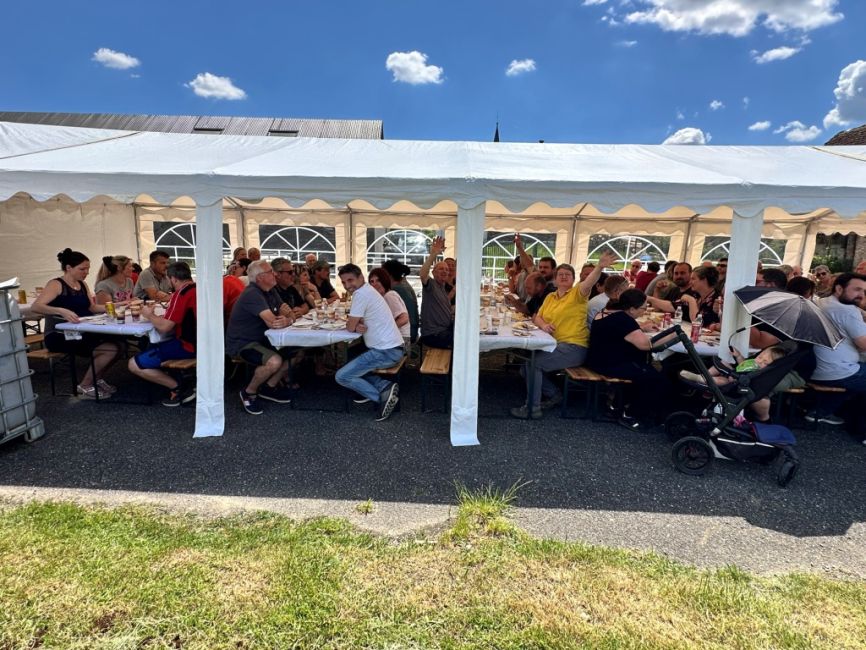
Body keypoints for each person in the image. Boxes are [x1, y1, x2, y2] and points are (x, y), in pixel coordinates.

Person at [511, 250, 618, 419]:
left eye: (568, 274)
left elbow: (588, 283)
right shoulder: (550, 297)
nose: (563, 276)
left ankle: (532, 408)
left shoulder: (577, 294)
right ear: (555, 278)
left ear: (573, 279)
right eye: (560, 274)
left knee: (533, 365)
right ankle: (555, 395)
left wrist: (599, 267)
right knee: (525, 367)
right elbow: (536, 316)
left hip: (574, 346)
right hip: (554, 344)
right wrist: (544, 325)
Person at [31, 248, 122, 399]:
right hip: (60, 335)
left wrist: (119, 305)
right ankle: (85, 385)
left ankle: (96, 378)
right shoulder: (56, 284)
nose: (86, 272)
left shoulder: (82, 284)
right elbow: (36, 307)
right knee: (110, 349)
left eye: (88, 269)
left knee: (120, 345)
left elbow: (92, 308)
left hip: (83, 330)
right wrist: (60, 310)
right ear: (69, 268)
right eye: (82, 269)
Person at [586, 289, 673, 429]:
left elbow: (619, 332)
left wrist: (641, 328)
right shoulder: (624, 320)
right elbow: (645, 345)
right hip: (609, 364)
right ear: (631, 309)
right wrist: (673, 336)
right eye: (643, 308)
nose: (644, 311)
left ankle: (616, 406)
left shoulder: (606, 312)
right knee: (657, 380)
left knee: (645, 370)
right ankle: (630, 414)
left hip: (597, 359)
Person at [226, 260, 296, 415]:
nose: (274, 274)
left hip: (263, 339)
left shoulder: (270, 289)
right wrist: (287, 319)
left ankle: (268, 387)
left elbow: (288, 312)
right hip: (243, 343)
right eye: (270, 272)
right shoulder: (253, 293)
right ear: (260, 278)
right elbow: (275, 322)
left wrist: (288, 318)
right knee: (274, 361)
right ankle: (249, 392)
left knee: (298, 352)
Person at [335, 264, 404, 421]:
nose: (347, 285)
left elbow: (350, 326)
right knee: (353, 361)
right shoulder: (367, 291)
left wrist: (354, 324)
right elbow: (356, 323)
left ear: (361, 277)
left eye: (350, 280)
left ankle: (382, 396)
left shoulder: (361, 294)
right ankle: (384, 386)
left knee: (342, 376)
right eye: (344, 282)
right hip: (393, 348)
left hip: (386, 352)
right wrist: (356, 324)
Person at [127, 262, 197, 406]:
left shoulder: (181, 293)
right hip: (206, 343)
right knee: (154, 344)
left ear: (173, 279)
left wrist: (148, 314)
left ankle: (179, 388)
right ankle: (181, 379)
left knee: (134, 364)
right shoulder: (198, 289)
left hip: (189, 346)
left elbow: (164, 327)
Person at [808, 273, 866, 437]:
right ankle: (862, 432)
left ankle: (821, 411)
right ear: (839, 289)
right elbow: (864, 344)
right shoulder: (847, 311)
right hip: (838, 370)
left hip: (815, 368)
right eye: (857, 289)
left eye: (864, 291)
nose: (861, 295)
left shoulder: (822, 302)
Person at [680, 345, 787, 388]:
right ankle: (706, 374)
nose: (760, 361)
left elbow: (747, 378)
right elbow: (743, 364)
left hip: (735, 382)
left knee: (722, 381)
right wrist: (738, 356)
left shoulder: (758, 372)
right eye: (760, 357)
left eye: (765, 362)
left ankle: (699, 378)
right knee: (724, 362)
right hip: (734, 372)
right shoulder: (754, 362)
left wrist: (734, 377)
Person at [419, 236, 454, 349]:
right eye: (441, 269)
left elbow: (444, 306)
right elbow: (423, 274)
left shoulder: (442, 287)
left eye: (446, 270)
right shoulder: (431, 284)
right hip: (433, 334)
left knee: (466, 330)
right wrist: (433, 254)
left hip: (443, 330)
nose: (445, 271)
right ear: (433, 273)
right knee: (463, 339)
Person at [369, 268, 410, 349]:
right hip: (396, 340)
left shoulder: (389, 295)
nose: (374, 284)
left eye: (378, 280)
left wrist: (385, 332)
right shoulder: (383, 297)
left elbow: (404, 319)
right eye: (372, 281)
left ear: (385, 281)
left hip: (400, 342)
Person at [382, 259, 419, 343]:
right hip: (412, 331)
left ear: (388, 275)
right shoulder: (402, 286)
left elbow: (403, 318)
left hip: (406, 335)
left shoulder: (396, 290)